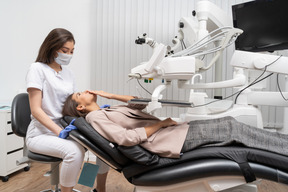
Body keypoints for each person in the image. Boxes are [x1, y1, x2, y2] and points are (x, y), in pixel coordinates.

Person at [62, 90, 288, 159]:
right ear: (80, 107)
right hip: (169, 140)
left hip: (174, 132)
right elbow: (125, 138)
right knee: (233, 129)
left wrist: (108, 94)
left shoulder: (106, 110)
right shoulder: (95, 118)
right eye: (80, 94)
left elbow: (139, 104)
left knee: (230, 124)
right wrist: (161, 125)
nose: (86, 90)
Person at [25, 28, 108, 192]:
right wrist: (59, 131)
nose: (69, 54)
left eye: (72, 51)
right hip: (41, 133)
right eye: (65, 51)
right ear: (52, 47)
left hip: (66, 128)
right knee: (74, 153)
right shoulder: (37, 69)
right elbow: (36, 110)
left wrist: (96, 113)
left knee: (103, 146)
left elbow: (73, 105)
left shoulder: (69, 74)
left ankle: (96, 187)